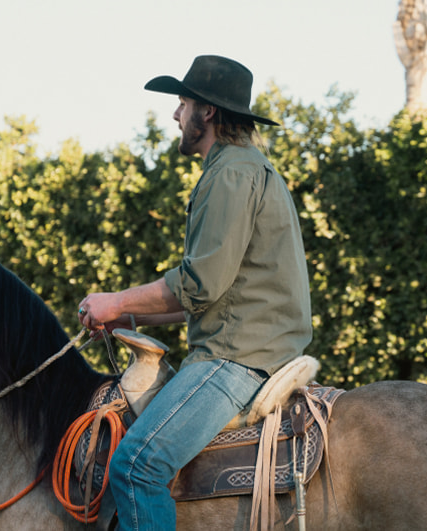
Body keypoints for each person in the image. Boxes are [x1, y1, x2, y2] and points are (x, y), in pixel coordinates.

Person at [76, 55, 313, 530]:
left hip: (235, 359)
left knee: (136, 466)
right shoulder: (248, 168)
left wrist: (115, 302)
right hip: (249, 346)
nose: (174, 115)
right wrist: (133, 319)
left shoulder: (229, 174)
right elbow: (211, 297)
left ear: (206, 112)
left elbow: (199, 282)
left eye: (182, 103)